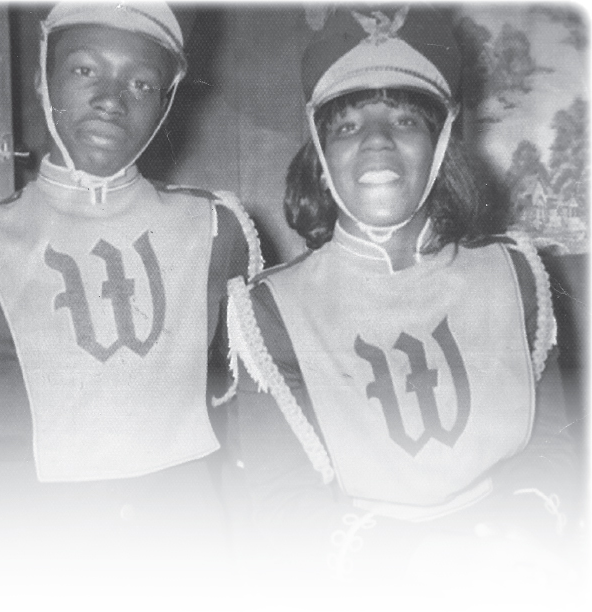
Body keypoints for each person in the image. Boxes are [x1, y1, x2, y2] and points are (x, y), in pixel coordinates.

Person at [224, 5, 583, 608]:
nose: (378, 142)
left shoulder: (515, 274)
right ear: (320, 150)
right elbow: (285, 503)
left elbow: (554, 448)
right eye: (347, 125)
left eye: (407, 118)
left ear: (443, 140)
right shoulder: (272, 310)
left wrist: (510, 544)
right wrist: (419, 565)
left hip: (507, 569)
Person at [0, 2, 262, 608]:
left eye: (141, 82)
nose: (111, 98)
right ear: (44, 80)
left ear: (166, 102)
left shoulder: (215, 230)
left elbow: (241, 401)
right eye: (83, 71)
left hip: (186, 552)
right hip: (35, 559)